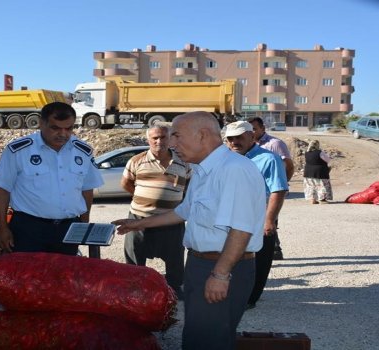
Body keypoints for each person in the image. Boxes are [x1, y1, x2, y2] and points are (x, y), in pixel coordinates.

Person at [113, 111, 266, 349]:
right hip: (200, 264)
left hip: (222, 266)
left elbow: (241, 229)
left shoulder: (234, 169)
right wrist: (138, 223)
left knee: (208, 340)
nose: (171, 143)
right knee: (198, 335)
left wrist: (220, 275)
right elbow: (184, 211)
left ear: (202, 135)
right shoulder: (203, 169)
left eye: (176, 136)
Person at [0, 102, 103, 255]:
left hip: (68, 228)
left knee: (64, 276)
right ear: (41, 124)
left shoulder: (83, 151)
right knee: (27, 276)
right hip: (29, 229)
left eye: (69, 128)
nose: (63, 134)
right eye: (55, 128)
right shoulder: (19, 150)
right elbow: (1, 191)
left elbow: (86, 190)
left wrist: (84, 225)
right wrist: (2, 227)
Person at [120, 125, 191, 299]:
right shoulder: (136, 160)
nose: (159, 141)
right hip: (139, 218)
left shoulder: (183, 162)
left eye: (163, 137)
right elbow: (126, 184)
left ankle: (174, 289)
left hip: (171, 220)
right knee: (135, 256)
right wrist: (146, 198)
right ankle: (136, 289)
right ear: (148, 140)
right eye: (155, 138)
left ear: (170, 139)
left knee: (175, 257)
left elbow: (188, 187)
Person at [224, 121, 288, 310]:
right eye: (230, 139)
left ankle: (250, 298)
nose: (235, 142)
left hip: (259, 218)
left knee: (258, 259)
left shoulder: (269, 159)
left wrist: (269, 220)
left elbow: (278, 190)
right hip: (232, 217)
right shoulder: (227, 159)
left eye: (239, 137)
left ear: (252, 136)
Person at [248, 117, 294, 260]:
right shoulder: (245, 145)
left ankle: (273, 249)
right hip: (252, 195)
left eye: (255, 128)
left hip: (270, 193)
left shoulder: (275, 144)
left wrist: (281, 184)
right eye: (249, 129)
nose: (252, 132)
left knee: (270, 219)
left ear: (263, 128)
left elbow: (289, 165)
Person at [303, 140, 333, 204]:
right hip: (320, 172)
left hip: (308, 172)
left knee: (310, 186)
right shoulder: (319, 152)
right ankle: (322, 200)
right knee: (322, 185)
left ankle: (312, 199)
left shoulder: (307, 152)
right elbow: (328, 160)